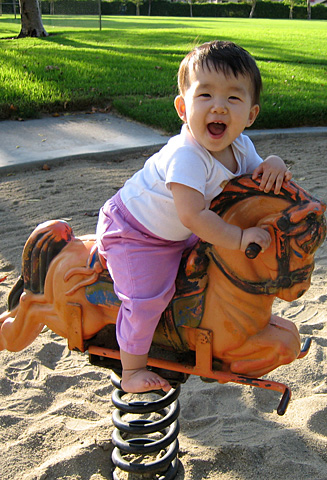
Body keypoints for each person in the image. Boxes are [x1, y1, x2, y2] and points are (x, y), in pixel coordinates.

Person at [96, 40, 293, 393]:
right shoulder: (186, 156)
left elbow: (255, 180)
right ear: (183, 108)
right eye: (205, 96)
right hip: (135, 232)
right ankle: (132, 370)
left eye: (233, 98)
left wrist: (273, 164)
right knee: (148, 297)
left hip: (176, 230)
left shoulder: (241, 147)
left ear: (250, 115)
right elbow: (193, 215)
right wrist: (238, 238)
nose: (219, 107)